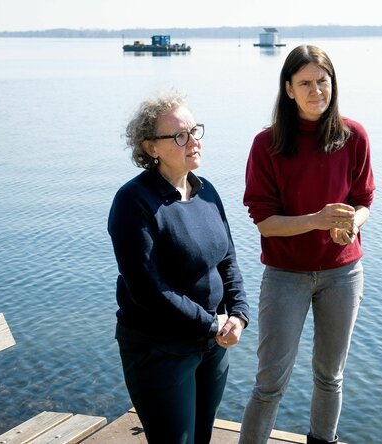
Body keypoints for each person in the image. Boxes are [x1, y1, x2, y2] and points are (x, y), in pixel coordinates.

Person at [239, 45, 376, 444]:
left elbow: (364, 200)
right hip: (286, 277)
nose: (316, 90)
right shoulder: (267, 145)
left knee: (330, 377)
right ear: (288, 89)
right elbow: (264, 222)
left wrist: (352, 222)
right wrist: (317, 220)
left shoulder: (353, 136)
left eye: (322, 80)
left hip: (343, 274)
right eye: (305, 83)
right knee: (269, 383)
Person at [108, 89, 249, 444]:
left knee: (202, 438)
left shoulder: (207, 191)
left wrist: (239, 313)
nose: (193, 141)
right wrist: (210, 322)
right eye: (180, 136)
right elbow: (147, 290)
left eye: (195, 131)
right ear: (150, 148)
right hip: (160, 350)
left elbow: (228, 259)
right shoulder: (133, 202)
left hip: (212, 345)